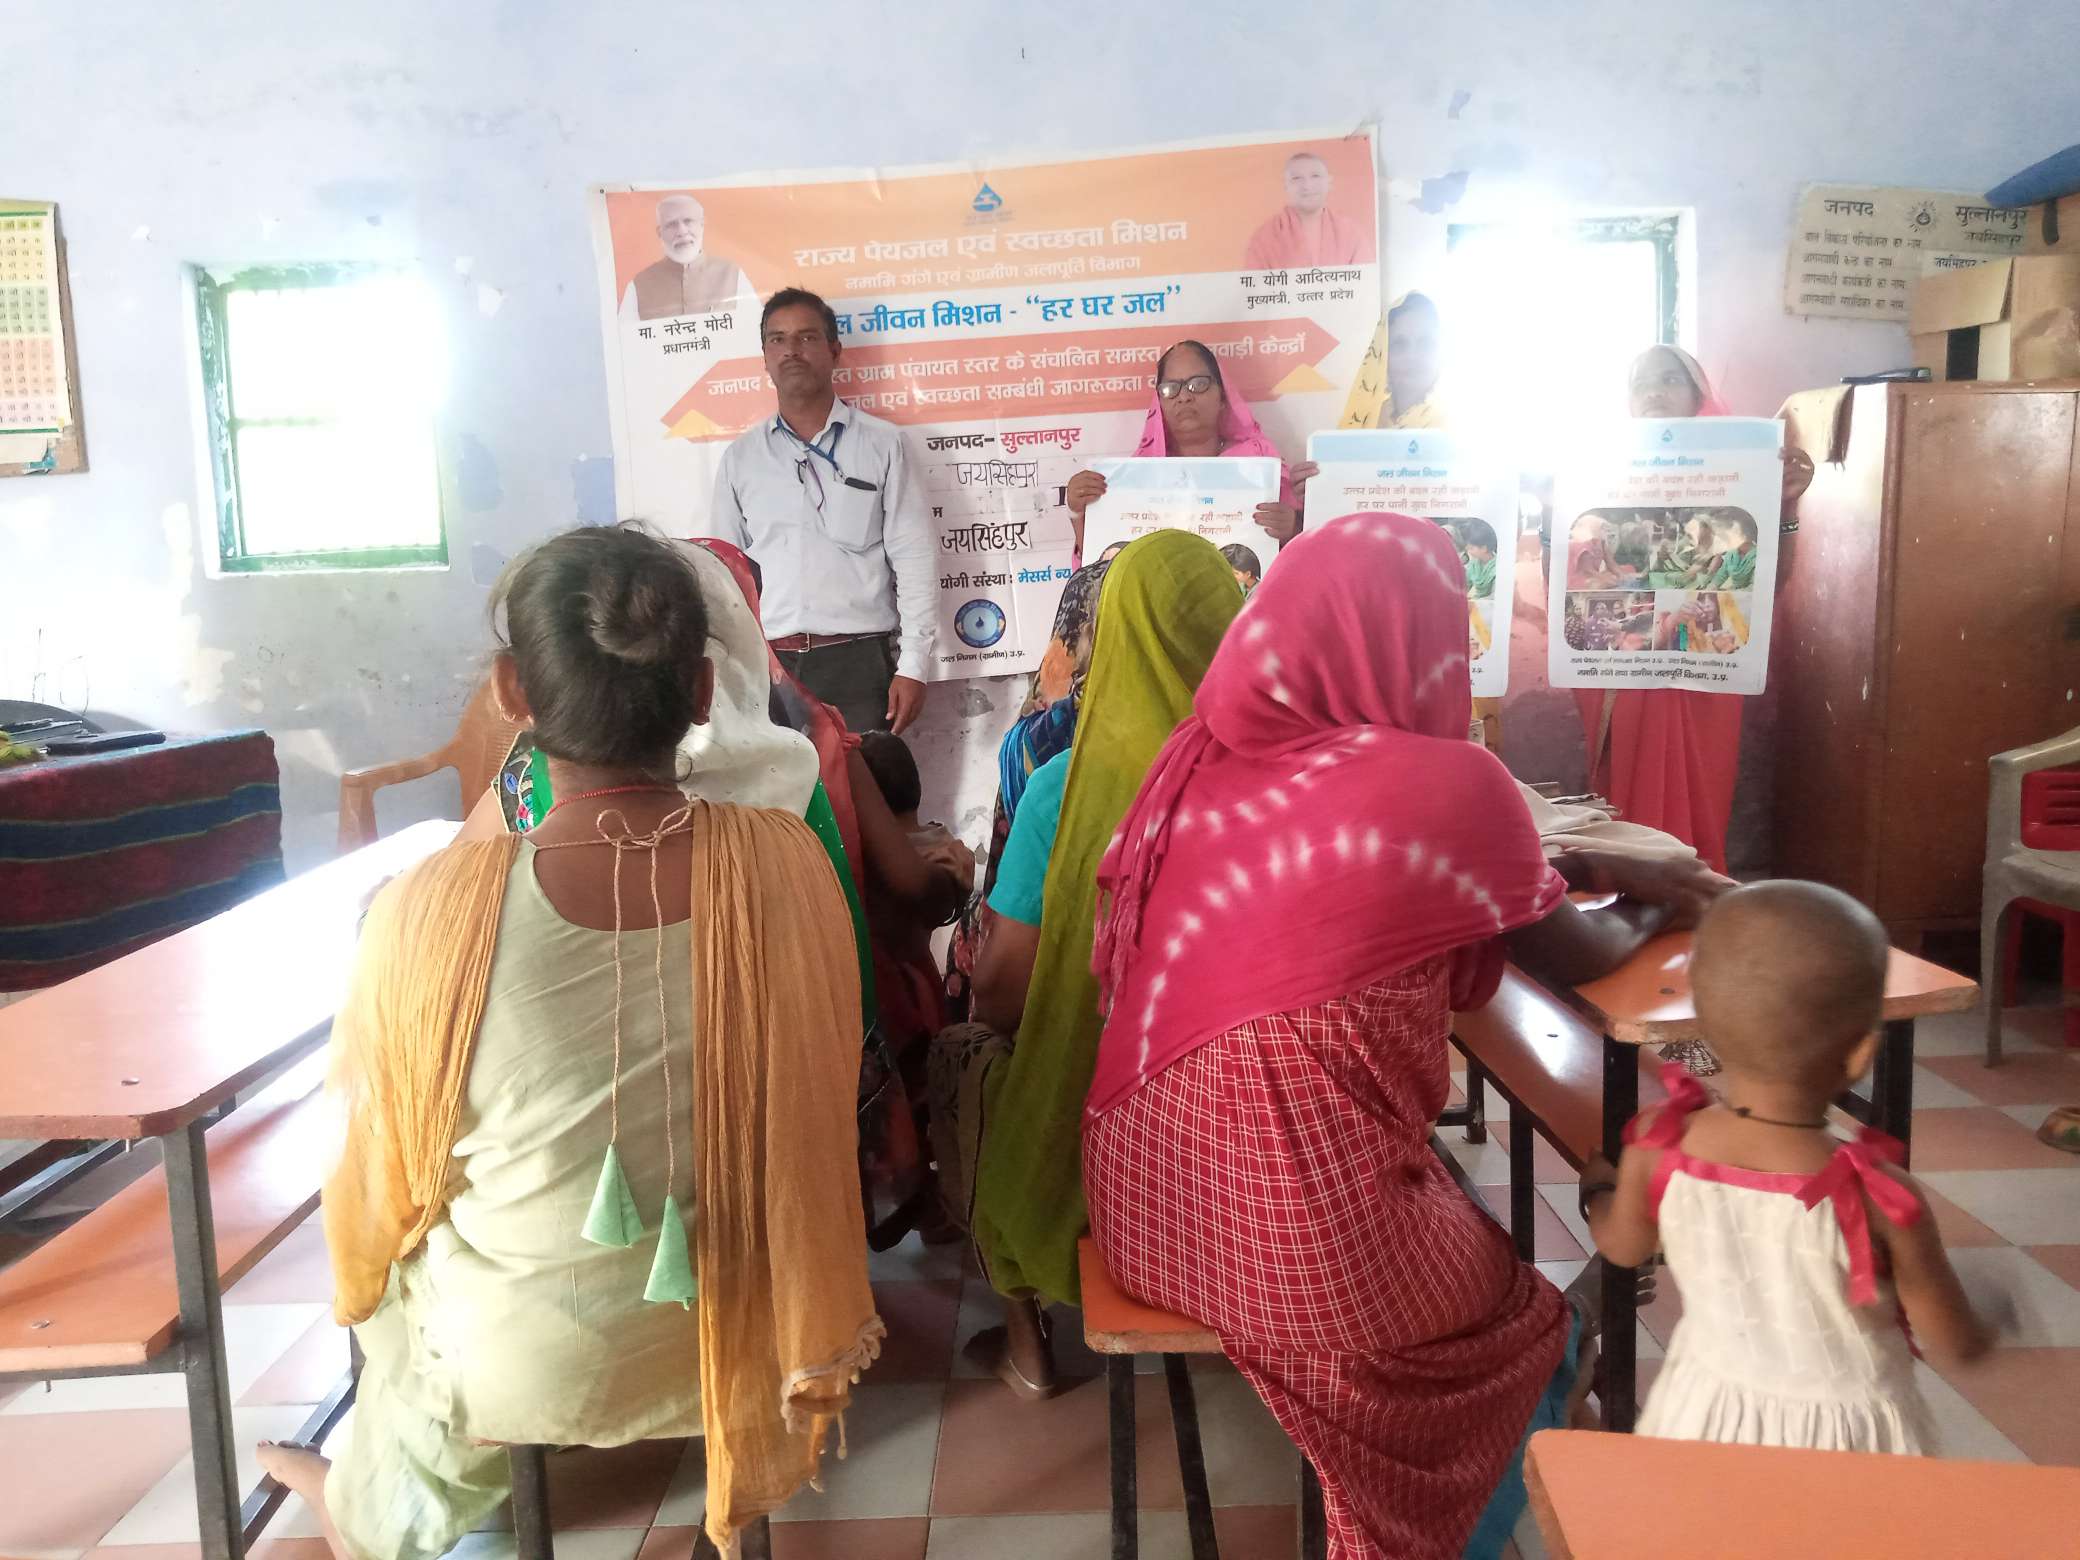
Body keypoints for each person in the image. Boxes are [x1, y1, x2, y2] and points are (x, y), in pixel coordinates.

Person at [1082, 513, 1724, 1559]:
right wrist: (1661, 887)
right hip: (1298, 1250)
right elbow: (1578, 952)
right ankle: (1494, 1458)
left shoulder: (1193, 760)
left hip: (1143, 1204)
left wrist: (1579, 869)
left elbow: (1431, 877)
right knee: (1526, 1314)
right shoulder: (1447, 784)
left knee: (1435, 1203)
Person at [259, 524, 877, 1560]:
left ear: (512, 691)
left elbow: (374, 1179)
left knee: (402, 1289)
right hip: (760, 1324)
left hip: (528, 1360)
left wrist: (369, 1276)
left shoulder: (427, 910)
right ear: (701, 690)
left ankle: (368, 1508)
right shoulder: (786, 861)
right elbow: (823, 1092)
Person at [936, 533, 1243, 1397]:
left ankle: (1025, 1343)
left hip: (1102, 1126)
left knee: (963, 1057)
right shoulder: (1282, 781)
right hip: (1246, 1120)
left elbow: (1003, 988)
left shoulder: (1062, 784)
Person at [1583, 881, 1997, 1453]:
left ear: (1702, 1029)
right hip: (1848, 1440)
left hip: (1705, 1412)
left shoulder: (1661, 1146)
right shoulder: (1880, 1193)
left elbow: (1624, 1248)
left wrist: (1599, 1191)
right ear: (1862, 1052)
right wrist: (1991, 1323)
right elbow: (1951, 1340)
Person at [1572, 347, 1811, 874]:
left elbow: (1766, 584)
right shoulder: (1598, 471)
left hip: (1703, 670)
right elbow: (1573, 588)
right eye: (1640, 383)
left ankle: (1695, 893)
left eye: (1669, 379)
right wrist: (1552, 514)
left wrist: (1785, 505)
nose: (1653, 392)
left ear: (1698, 396)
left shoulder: (1738, 476)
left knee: (1700, 786)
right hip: (1625, 669)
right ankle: (1628, 892)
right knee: (1624, 803)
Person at [704, 287, 935, 735]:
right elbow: (725, 577)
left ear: (834, 350)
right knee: (782, 785)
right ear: (765, 357)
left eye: (807, 337)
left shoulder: (883, 444)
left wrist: (914, 666)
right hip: (770, 668)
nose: (791, 350)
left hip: (860, 664)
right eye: (777, 339)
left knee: (868, 780)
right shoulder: (741, 459)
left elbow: (915, 558)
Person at [1063, 340, 1302, 557]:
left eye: (1198, 384)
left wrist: (1293, 527)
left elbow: (1299, 557)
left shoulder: (1258, 463)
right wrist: (1077, 513)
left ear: (1223, 396)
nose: (1184, 397)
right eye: (1171, 388)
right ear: (1159, 403)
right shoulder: (1132, 478)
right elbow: (1103, 564)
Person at [1337, 291, 1448, 431]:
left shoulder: (1457, 426)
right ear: (1382, 355)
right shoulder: (1365, 419)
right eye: (1399, 344)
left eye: (1425, 344)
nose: (1412, 356)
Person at [1242, 150, 1367, 270]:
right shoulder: (1264, 237)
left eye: (1315, 176)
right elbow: (1253, 282)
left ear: (1329, 182)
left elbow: (1366, 279)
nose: (1307, 186)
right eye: (1296, 178)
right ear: (1285, 185)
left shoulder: (1350, 233)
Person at [628, 194, 745, 320]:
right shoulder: (639, 284)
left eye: (688, 221)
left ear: (702, 225)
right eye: (671, 224)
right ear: (660, 233)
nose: (682, 231)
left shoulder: (732, 274)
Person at [1702, 511, 1759, 590]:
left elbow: (1754, 587)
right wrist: (1710, 588)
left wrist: (1730, 592)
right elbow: (1720, 576)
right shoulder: (1732, 553)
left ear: (1745, 535)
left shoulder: (1757, 556)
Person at [1460, 516, 1498, 598]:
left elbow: (1494, 597)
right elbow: (1465, 586)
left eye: (1471, 548)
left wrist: (1474, 601)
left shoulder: (1497, 568)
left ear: (1484, 548)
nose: (1468, 551)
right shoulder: (1473, 564)